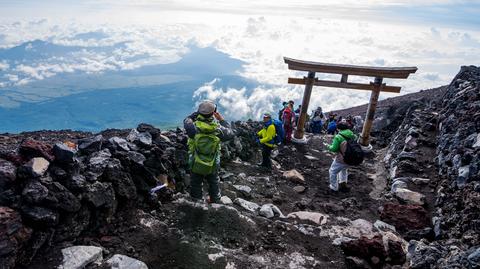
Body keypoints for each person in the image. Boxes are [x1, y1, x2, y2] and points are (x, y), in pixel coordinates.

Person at [184, 100, 233, 203]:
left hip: (196, 159)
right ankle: (215, 201)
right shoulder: (218, 129)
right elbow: (230, 134)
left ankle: (197, 202)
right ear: (213, 113)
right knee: (213, 181)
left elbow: (186, 120)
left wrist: (194, 115)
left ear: (199, 113)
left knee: (196, 182)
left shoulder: (192, 127)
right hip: (213, 160)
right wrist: (222, 120)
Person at [327, 121, 356, 191]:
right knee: (344, 169)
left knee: (332, 171)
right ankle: (343, 183)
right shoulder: (353, 135)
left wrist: (328, 146)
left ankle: (334, 187)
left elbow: (334, 149)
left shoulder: (338, 137)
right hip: (351, 158)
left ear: (338, 128)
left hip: (341, 158)